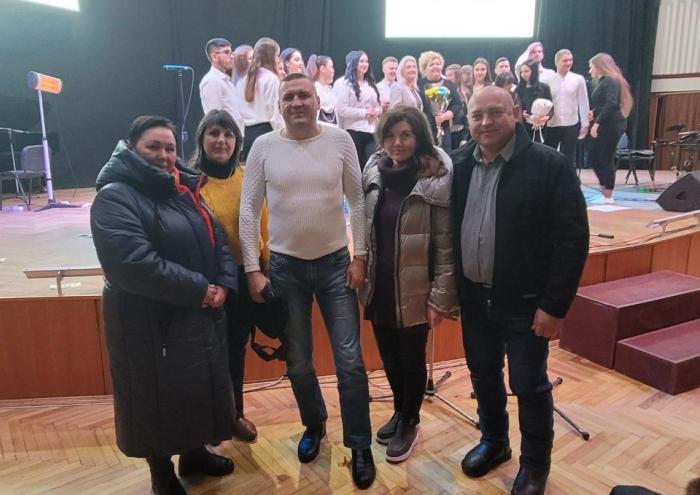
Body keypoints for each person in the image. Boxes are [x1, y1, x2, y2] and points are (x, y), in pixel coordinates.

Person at [450, 87, 589, 495]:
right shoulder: (459, 163)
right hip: (474, 297)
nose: (485, 122)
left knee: (529, 384)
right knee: (483, 374)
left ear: (515, 112)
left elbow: (572, 240)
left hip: (526, 304)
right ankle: (494, 442)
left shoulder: (550, 165)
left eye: (495, 112)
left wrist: (554, 305)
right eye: (477, 115)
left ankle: (535, 465)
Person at [240, 73, 375, 490]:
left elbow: (358, 200)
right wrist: (252, 269)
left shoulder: (340, 140)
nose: (297, 102)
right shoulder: (263, 146)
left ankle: (359, 444)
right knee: (298, 361)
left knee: (350, 361)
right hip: (285, 270)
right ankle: (314, 424)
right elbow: (248, 210)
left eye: (304, 95)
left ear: (318, 101)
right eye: (289, 97)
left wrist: (360, 255)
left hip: (336, 265)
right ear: (279, 104)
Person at [91, 116, 238, 495]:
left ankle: (194, 453)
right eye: (153, 147)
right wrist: (201, 290)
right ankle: (161, 472)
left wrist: (224, 282)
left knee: (192, 387)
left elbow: (216, 235)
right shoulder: (115, 196)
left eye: (169, 148)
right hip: (146, 322)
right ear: (132, 147)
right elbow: (133, 264)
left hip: (192, 312)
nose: (163, 155)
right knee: (153, 396)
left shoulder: (180, 187)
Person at [360, 105, 458, 463]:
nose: (397, 143)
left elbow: (445, 244)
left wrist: (440, 298)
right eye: (390, 136)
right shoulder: (374, 171)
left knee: (411, 358)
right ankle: (400, 411)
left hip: (416, 288)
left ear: (419, 137)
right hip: (380, 284)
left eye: (405, 135)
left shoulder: (435, 177)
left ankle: (411, 421)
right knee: (389, 356)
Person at [191, 110, 270, 444]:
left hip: (242, 276)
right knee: (202, 355)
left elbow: (263, 225)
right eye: (214, 133)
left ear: (237, 141)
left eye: (228, 134)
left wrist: (264, 272)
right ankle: (205, 425)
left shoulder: (248, 177)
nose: (221, 140)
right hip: (203, 283)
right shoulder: (188, 181)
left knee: (235, 351)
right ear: (202, 139)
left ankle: (234, 415)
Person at [588, 52, 633, 203]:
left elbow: (612, 103)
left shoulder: (610, 80)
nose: (590, 70)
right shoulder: (604, 82)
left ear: (599, 66)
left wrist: (597, 123)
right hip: (607, 122)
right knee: (595, 157)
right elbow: (604, 104)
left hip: (611, 124)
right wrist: (594, 112)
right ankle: (604, 190)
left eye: (591, 67)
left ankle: (608, 195)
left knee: (605, 157)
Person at [236, 37, 284, 161]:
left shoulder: (243, 81)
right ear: (271, 56)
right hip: (267, 135)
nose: (278, 59)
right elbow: (275, 114)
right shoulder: (271, 79)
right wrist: (284, 138)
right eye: (277, 55)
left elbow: (238, 115)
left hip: (248, 136)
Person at [334, 50, 383, 169]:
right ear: (354, 63)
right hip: (353, 130)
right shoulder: (344, 84)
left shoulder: (370, 83)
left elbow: (378, 106)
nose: (365, 64)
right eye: (361, 61)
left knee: (373, 163)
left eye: (366, 61)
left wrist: (376, 111)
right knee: (356, 165)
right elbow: (342, 109)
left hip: (371, 130)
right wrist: (364, 113)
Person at [543, 49, 590, 168]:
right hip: (552, 124)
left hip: (571, 124)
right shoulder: (548, 80)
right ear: (556, 62)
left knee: (569, 158)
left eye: (570, 60)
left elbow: (583, 102)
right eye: (565, 60)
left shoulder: (578, 79)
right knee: (549, 155)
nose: (568, 63)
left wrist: (585, 124)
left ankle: (569, 179)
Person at [418, 50, 464, 151]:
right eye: (431, 64)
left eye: (438, 64)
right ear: (424, 68)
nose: (435, 66)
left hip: (445, 129)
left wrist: (444, 116)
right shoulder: (418, 85)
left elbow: (457, 105)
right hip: (424, 129)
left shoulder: (449, 84)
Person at [199, 38, 244, 131]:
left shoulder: (226, 80)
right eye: (226, 52)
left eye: (231, 52)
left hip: (235, 134)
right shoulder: (211, 81)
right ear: (214, 57)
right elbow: (214, 118)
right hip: (225, 135)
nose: (232, 56)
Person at [516, 59, 553, 142]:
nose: (523, 74)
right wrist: (523, 115)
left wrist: (545, 118)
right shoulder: (519, 89)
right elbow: (515, 108)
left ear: (534, 71)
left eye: (526, 71)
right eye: (521, 72)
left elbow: (551, 109)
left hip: (541, 128)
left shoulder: (544, 88)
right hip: (524, 128)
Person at [306, 54, 337, 124]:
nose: (333, 71)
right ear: (323, 69)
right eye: (331, 67)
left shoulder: (329, 89)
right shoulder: (315, 89)